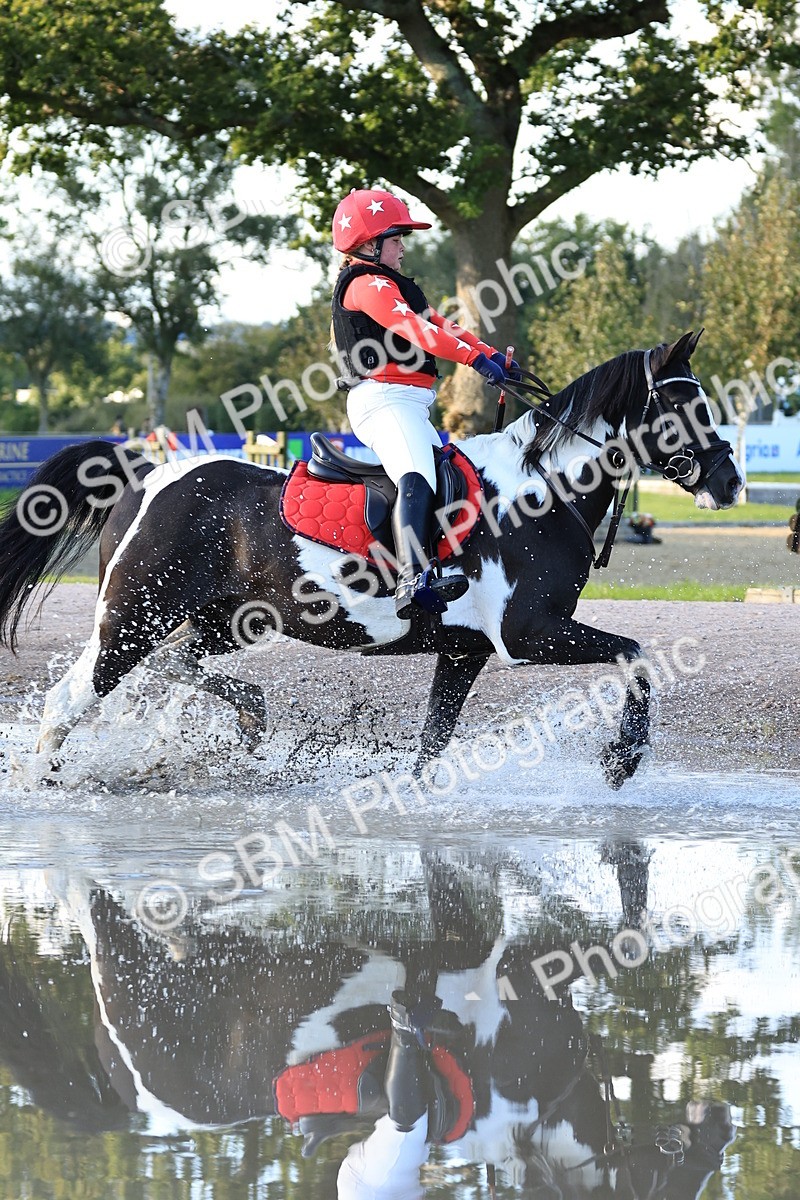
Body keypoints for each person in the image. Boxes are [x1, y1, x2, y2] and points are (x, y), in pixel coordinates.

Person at [330, 187, 513, 620]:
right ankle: (412, 578)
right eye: (396, 239)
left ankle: (441, 563)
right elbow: (416, 331)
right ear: (370, 244)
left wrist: (489, 354)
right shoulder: (367, 284)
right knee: (417, 473)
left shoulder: (394, 284)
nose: (403, 247)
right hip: (384, 399)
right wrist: (473, 361)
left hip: (408, 402)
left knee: (451, 475)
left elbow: (442, 325)